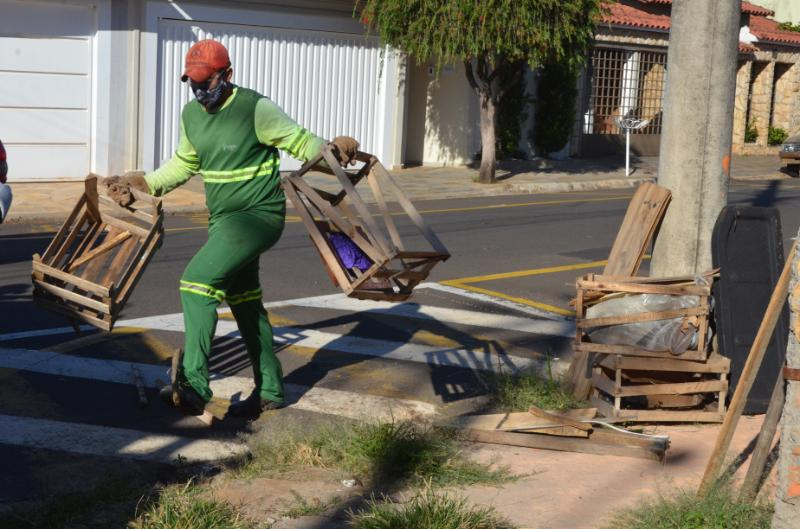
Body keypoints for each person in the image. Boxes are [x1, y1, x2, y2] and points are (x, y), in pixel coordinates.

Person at [104, 39, 359, 417]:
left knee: (196, 284)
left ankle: (193, 385)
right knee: (244, 302)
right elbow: (184, 163)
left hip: (258, 216)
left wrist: (332, 151)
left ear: (227, 75)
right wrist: (145, 184)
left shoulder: (255, 108)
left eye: (206, 82)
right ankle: (271, 389)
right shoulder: (191, 114)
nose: (199, 90)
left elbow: (300, 141)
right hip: (224, 220)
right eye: (192, 82)